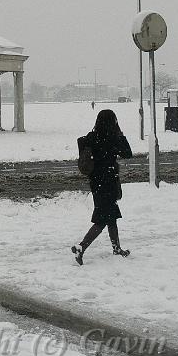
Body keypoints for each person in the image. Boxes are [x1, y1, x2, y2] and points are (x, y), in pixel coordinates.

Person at [71, 109, 133, 265]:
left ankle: (116, 248)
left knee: (110, 216)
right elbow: (128, 153)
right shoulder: (113, 138)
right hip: (109, 182)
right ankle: (81, 247)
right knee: (103, 219)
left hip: (96, 182)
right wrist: (120, 134)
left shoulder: (92, 137)